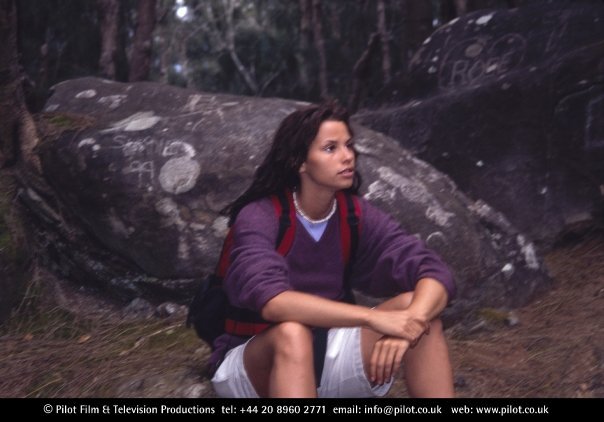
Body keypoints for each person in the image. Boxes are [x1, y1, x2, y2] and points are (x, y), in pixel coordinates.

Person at [209, 100, 455, 398]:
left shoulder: (354, 214)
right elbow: (272, 301)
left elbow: (435, 272)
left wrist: (409, 325)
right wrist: (372, 318)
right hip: (254, 359)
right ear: (300, 161)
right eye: (331, 148)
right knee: (292, 333)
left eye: (349, 146)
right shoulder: (260, 215)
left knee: (420, 310)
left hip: (329, 351)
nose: (347, 157)